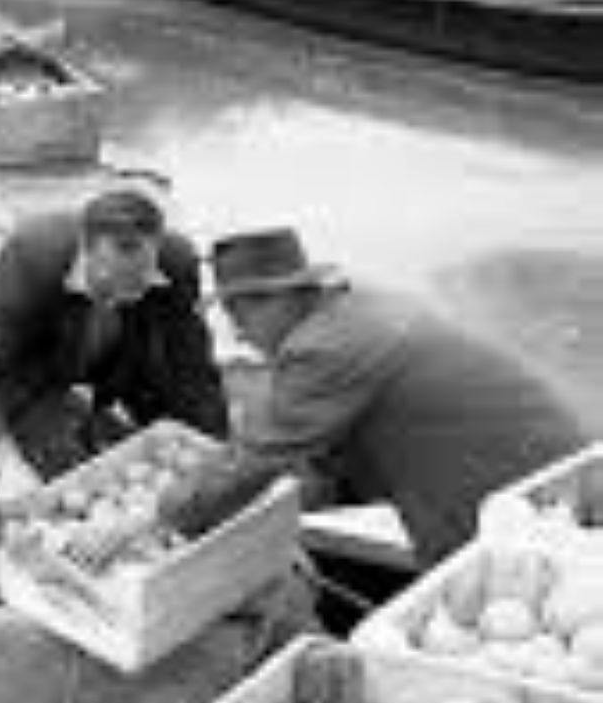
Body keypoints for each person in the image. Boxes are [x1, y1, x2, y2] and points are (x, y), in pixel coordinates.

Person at [68, 228, 593, 572]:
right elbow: (320, 451)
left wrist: (140, 523)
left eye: (240, 316)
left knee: (488, 594)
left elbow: (256, 457)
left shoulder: (326, 347)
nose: (240, 335)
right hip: (535, 458)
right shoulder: (347, 312)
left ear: (278, 299)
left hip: (509, 479)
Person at [0, 188, 231, 596]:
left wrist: (218, 460)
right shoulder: (33, 254)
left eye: (137, 287)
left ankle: (101, 591)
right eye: (108, 285)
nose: (120, 296)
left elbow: (193, 371)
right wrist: (7, 465)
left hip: (118, 358)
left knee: (153, 462)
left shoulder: (176, 263)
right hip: (23, 361)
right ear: (86, 251)